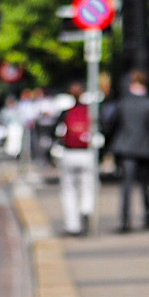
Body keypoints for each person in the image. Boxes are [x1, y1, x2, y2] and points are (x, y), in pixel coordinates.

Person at [105, 70, 149, 231]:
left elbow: (112, 125)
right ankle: (148, 218)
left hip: (125, 148)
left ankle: (125, 220)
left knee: (127, 185)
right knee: (145, 185)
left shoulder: (123, 102)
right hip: (145, 148)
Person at [54, 82, 96, 235]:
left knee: (68, 190)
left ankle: (72, 225)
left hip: (69, 154)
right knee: (88, 186)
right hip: (88, 154)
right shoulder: (91, 112)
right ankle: (86, 208)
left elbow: (58, 132)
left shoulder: (66, 112)